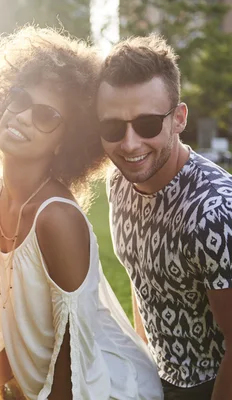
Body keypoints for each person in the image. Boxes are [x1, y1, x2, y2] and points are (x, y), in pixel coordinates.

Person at [0, 26, 163, 399]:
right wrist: (7, 384)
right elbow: (0, 307)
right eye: (19, 97)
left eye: (45, 116)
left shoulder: (56, 219)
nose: (22, 116)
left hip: (105, 387)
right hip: (39, 384)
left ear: (65, 141)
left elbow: (73, 351)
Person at [98, 34, 232, 399]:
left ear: (179, 119)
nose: (129, 144)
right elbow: (142, 280)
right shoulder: (119, 183)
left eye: (147, 124)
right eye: (112, 127)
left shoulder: (214, 214)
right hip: (153, 378)